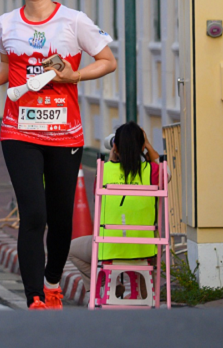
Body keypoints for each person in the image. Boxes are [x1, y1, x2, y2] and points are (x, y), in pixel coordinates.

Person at [0, 0, 117, 310]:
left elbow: (107, 60)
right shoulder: (6, 23)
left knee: (60, 219)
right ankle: (34, 297)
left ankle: (53, 280)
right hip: (18, 130)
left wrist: (76, 75)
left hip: (64, 132)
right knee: (34, 214)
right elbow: (8, 66)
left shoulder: (74, 21)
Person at [68, 122, 161, 287]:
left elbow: (99, 199)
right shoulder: (152, 171)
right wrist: (147, 146)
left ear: (115, 147)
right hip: (144, 250)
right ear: (142, 146)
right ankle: (142, 289)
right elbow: (165, 173)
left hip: (109, 250)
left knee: (71, 250)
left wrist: (111, 161)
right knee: (146, 250)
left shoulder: (105, 171)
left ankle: (106, 284)